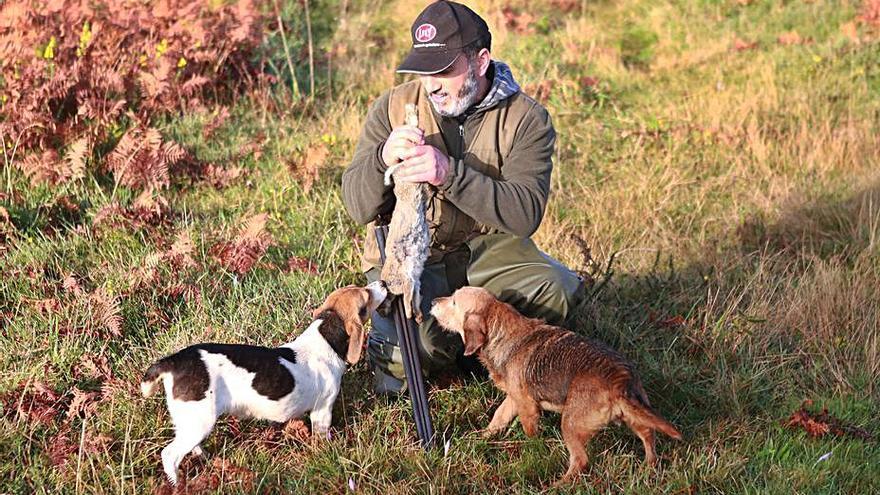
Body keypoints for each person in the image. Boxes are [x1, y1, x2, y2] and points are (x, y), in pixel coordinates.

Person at [341, 0, 583, 394]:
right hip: (417, 259)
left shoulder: (527, 119)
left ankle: (499, 349)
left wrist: (448, 174)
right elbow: (357, 206)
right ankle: (469, 347)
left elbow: (524, 215)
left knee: (555, 290)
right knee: (410, 356)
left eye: (444, 70)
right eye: (423, 71)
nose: (431, 84)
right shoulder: (391, 107)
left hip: (489, 252)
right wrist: (382, 158)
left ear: (481, 61)